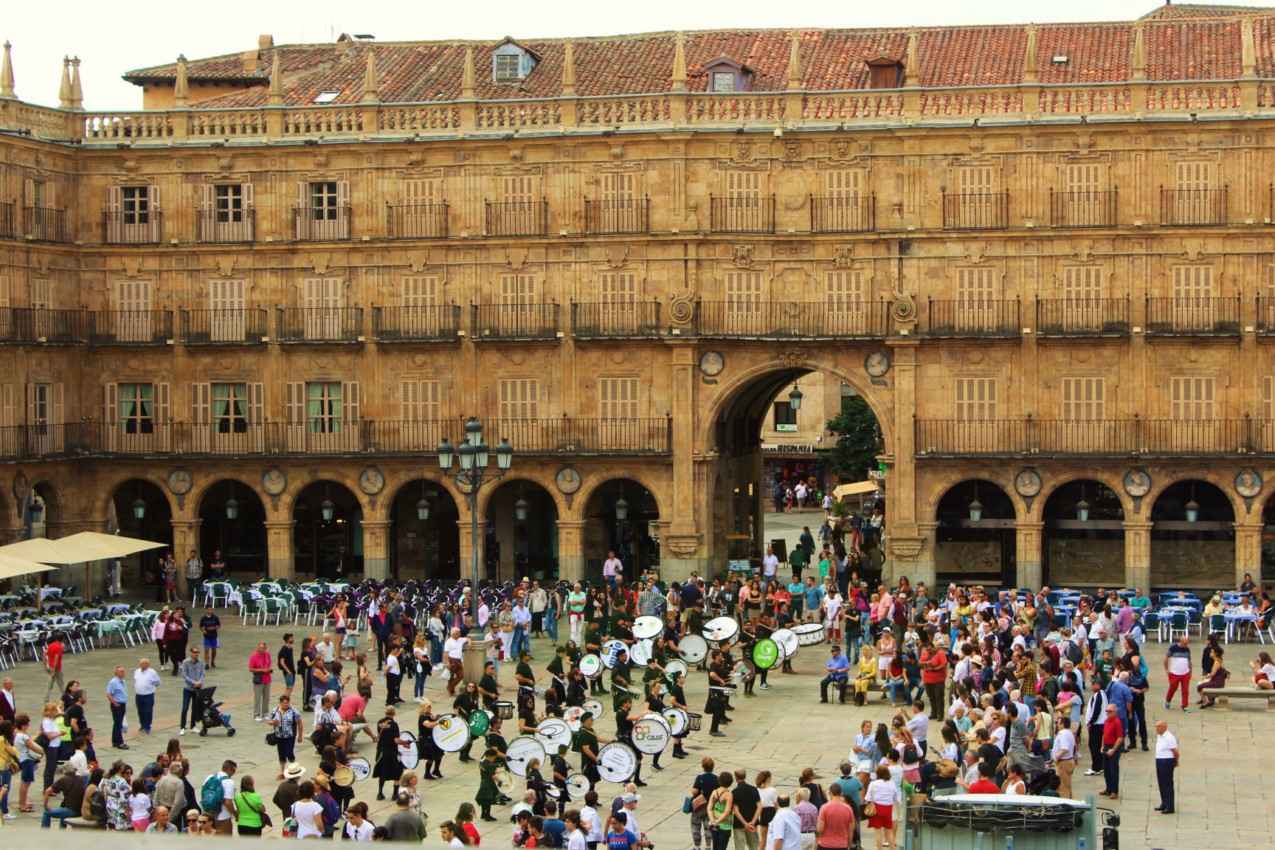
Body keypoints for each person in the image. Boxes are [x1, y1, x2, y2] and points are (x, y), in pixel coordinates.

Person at [40, 763, 83, 829]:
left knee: (46, 813)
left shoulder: (63, 780)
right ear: (74, 770)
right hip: (81, 810)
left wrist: (45, 806)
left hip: (72, 811)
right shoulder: (81, 779)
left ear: (64, 771)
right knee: (64, 811)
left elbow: (47, 791)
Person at [862, 766, 896, 850]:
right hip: (888, 808)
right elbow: (894, 797)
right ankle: (892, 848)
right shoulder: (892, 784)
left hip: (876, 809)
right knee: (889, 831)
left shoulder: (873, 784)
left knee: (878, 832)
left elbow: (867, 798)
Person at [815, 783, 855, 850]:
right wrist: (848, 844)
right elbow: (851, 830)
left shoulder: (824, 808)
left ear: (830, 793)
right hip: (842, 845)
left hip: (825, 844)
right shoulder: (848, 809)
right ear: (841, 793)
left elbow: (820, 829)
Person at [178, 646, 205, 735]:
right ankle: (182, 727)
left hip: (197, 688)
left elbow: (202, 673)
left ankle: (193, 726)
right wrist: (194, 682)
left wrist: (199, 681)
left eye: (197, 652)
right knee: (185, 708)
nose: (196, 654)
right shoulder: (185, 662)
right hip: (188, 688)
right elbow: (185, 675)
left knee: (195, 707)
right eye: (194, 652)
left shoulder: (200, 662)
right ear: (190, 653)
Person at [1099, 704, 1123, 800]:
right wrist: (1102, 746)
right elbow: (1104, 734)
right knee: (1106, 770)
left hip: (1113, 747)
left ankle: (1114, 791)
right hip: (1106, 746)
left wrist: (1113, 749)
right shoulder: (1106, 721)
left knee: (1114, 770)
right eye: (1107, 711)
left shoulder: (1117, 722)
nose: (1107, 713)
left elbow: (1120, 738)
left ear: (1115, 712)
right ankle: (1108, 788)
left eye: (1110, 711)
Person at [1163, 635, 1192, 713]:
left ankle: (1185, 706)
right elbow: (1166, 657)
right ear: (1181, 641)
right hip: (1175, 673)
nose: (1186, 645)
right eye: (1185, 643)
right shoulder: (1173, 648)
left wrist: (1190, 671)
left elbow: (1189, 660)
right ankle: (1168, 700)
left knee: (1185, 690)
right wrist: (1166, 669)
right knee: (1173, 687)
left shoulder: (1187, 649)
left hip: (1185, 672)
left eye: (1187, 644)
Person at [1051, 717, 1077, 799]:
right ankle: (1070, 800)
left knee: (1062, 787)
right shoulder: (1070, 733)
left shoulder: (1063, 734)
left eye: (1058, 723)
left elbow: (1065, 748)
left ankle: (1065, 804)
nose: (1057, 725)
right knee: (1067, 785)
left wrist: (1057, 757)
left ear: (1062, 724)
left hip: (1063, 762)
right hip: (1069, 760)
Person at [707, 771, 734, 850]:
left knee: (715, 846)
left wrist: (713, 821)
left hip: (713, 824)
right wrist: (718, 821)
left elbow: (709, 808)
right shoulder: (729, 795)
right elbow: (727, 812)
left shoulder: (714, 792)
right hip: (724, 826)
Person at [104, 666, 129, 750]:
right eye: (121, 671)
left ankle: (115, 741)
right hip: (117, 705)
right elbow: (108, 694)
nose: (123, 673)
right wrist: (114, 703)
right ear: (116, 673)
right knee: (118, 724)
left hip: (122, 704)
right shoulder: (113, 682)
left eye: (124, 671)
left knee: (118, 723)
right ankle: (120, 742)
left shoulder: (122, 681)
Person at [42, 633, 66, 704]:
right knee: (61, 685)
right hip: (56, 669)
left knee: (49, 686)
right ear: (62, 640)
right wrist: (54, 671)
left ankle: (46, 700)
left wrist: (45, 666)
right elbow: (56, 659)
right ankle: (66, 699)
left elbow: (44, 654)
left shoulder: (51, 645)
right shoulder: (59, 647)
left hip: (50, 667)